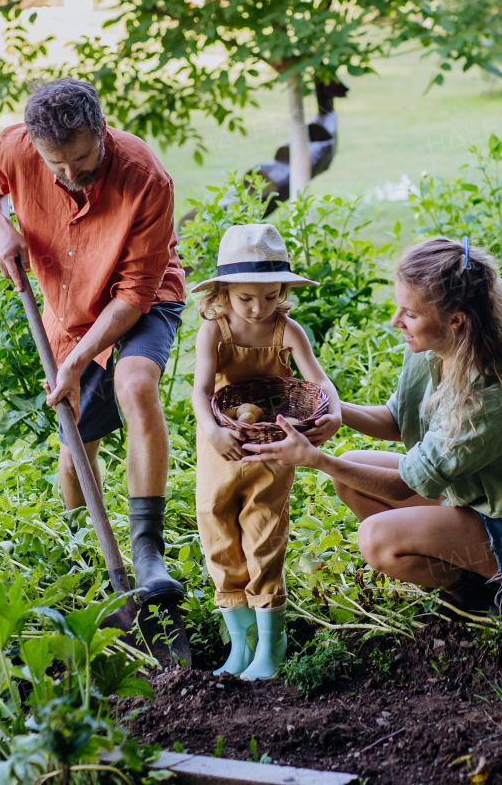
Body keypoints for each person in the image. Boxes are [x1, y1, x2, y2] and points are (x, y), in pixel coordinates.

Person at [241, 236, 502, 622]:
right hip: (479, 502)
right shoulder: (436, 350)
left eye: (410, 313)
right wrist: (327, 408)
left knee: (376, 540)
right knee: (352, 471)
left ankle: (494, 596)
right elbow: (398, 419)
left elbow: (408, 484)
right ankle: (470, 581)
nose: (395, 321)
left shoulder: (490, 395)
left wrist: (316, 459)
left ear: (456, 318)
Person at [0, 78, 186, 606]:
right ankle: (82, 556)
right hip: (69, 313)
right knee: (74, 448)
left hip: (142, 299)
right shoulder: (18, 146)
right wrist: (0, 225)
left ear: (102, 130)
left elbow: (134, 295)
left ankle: (148, 552)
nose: (69, 175)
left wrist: (81, 359)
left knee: (134, 384)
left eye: (82, 159)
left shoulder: (144, 177)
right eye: (55, 165)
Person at [191, 224, 342, 679]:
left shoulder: (286, 329)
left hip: (272, 448)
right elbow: (200, 392)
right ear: (223, 294)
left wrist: (332, 412)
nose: (259, 309)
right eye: (246, 299)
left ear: (283, 292)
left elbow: (317, 380)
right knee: (216, 527)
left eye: (271, 296)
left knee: (264, 533)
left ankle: (270, 652)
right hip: (222, 444)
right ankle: (241, 645)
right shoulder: (213, 332)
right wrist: (215, 431)